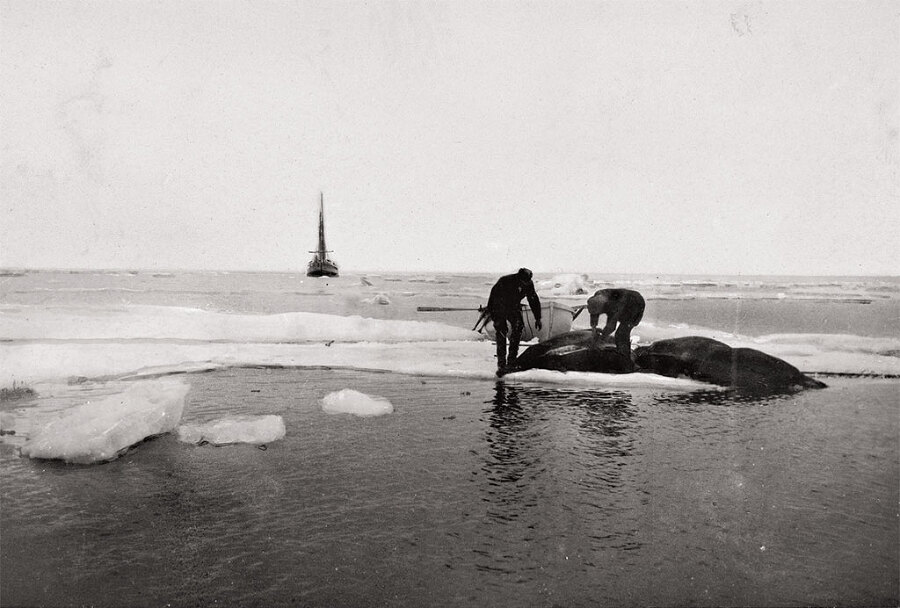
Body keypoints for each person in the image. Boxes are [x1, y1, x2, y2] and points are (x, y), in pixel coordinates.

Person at [487, 268, 542, 375]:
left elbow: (533, 299)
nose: (525, 283)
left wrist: (538, 318)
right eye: (523, 281)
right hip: (498, 306)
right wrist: (495, 317)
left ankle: (512, 360)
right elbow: (493, 298)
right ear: (519, 277)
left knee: (518, 326)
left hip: (513, 307)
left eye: (527, 281)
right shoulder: (505, 281)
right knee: (502, 331)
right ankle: (501, 364)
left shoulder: (528, 284)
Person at [587, 288, 645, 359]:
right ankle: (621, 353)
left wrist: (601, 340)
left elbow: (611, 327)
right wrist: (594, 330)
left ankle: (625, 357)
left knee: (621, 333)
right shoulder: (596, 298)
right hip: (620, 301)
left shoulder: (614, 306)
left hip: (635, 303)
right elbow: (594, 314)